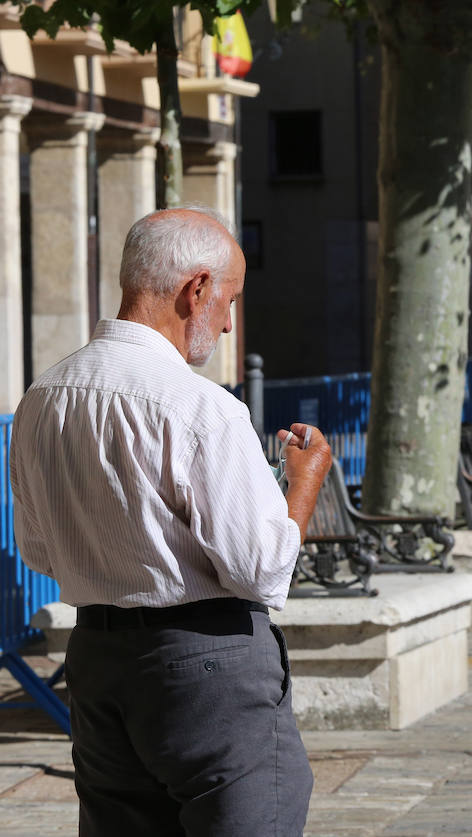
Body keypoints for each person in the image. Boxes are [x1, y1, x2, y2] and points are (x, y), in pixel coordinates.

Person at [9, 207, 332, 836]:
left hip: (99, 661)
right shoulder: (200, 408)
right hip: (205, 665)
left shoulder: (41, 399)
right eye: (230, 298)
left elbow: (40, 552)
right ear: (197, 288)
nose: (231, 321)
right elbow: (261, 568)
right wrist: (304, 487)